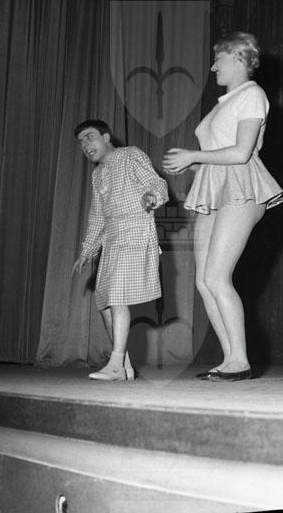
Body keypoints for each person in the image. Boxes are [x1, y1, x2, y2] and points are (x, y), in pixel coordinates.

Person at [162, 32, 283, 381]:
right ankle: (230, 358)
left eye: (219, 59)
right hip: (215, 188)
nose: (214, 67)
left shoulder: (253, 95)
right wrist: (193, 164)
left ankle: (240, 360)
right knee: (204, 282)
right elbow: (216, 155)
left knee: (217, 276)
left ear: (239, 58)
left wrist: (193, 156)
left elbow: (242, 153)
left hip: (242, 186)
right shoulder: (223, 103)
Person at [72, 120, 169, 381]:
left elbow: (157, 183)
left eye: (89, 137)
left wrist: (152, 196)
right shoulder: (97, 174)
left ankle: (114, 365)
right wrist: (87, 250)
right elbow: (97, 216)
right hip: (112, 239)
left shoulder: (130, 155)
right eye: (81, 142)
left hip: (135, 231)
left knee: (116, 297)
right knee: (104, 303)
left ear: (106, 137)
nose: (85, 145)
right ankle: (124, 366)